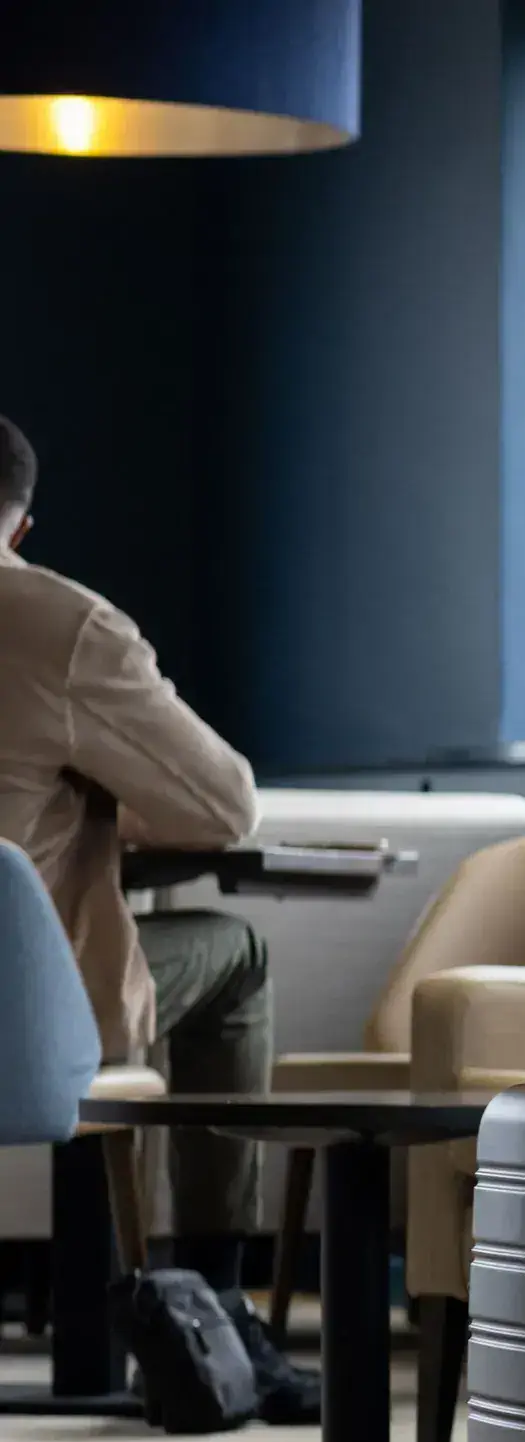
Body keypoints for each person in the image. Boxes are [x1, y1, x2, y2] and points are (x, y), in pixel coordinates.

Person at [0, 415, 268, 1287]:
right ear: (22, 525)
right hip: (18, 1018)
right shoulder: (61, 625)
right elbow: (223, 805)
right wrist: (104, 803)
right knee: (236, 952)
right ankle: (207, 1305)